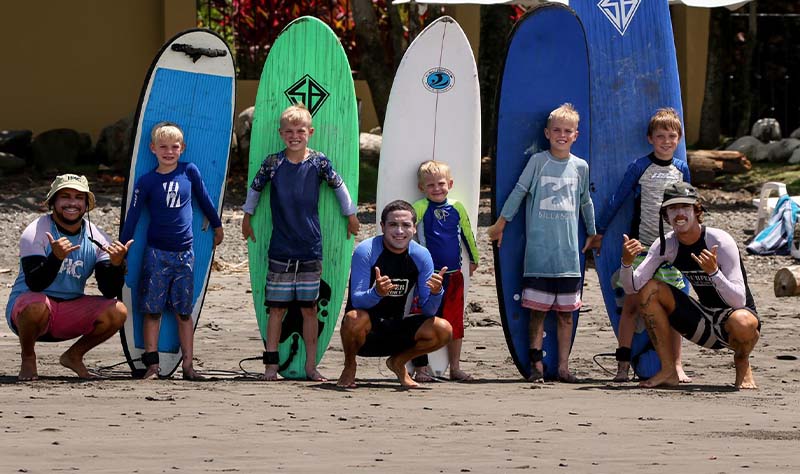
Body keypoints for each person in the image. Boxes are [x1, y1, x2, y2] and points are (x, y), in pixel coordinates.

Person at [242, 103, 359, 382]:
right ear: (281, 133)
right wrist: (247, 217)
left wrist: (350, 215)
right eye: (289, 131)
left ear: (310, 132)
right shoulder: (273, 163)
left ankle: (310, 365)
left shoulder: (319, 162)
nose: (295, 136)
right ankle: (271, 365)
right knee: (277, 309)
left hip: (310, 247)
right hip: (281, 248)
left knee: (309, 309)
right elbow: (255, 189)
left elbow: (339, 186)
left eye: (300, 131)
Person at [487, 103, 599, 383]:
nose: (562, 135)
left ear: (576, 135)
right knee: (536, 315)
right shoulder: (538, 161)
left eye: (568, 131)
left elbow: (586, 201)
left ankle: (563, 367)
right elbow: (519, 192)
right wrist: (502, 223)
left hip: (569, 258)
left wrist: (593, 232)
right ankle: (536, 367)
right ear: (547, 133)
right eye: (557, 130)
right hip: (539, 256)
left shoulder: (580, 167)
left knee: (565, 317)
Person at [619, 182, 760, 389]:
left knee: (743, 320)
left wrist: (714, 273)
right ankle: (668, 370)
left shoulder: (719, 240)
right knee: (649, 290)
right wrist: (626, 263)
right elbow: (633, 287)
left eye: (685, 207)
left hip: (736, 325)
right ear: (665, 216)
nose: (679, 214)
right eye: (672, 208)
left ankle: (742, 362)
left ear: (697, 211)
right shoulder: (666, 244)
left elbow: (738, 301)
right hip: (703, 322)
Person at [593, 107, 692, 382]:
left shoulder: (681, 168)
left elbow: (690, 207)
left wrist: (695, 242)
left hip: (672, 251)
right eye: (660, 136)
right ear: (650, 138)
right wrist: (599, 230)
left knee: (676, 311)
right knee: (631, 306)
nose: (666, 141)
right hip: (643, 249)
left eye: (672, 136)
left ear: (679, 139)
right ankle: (622, 365)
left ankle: (677, 365)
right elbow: (618, 198)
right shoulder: (640, 167)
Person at [120, 122, 224, 380]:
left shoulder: (189, 171)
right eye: (163, 147)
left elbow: (205, 199)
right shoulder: (147, 181)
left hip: (185, 254)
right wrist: (122, 245)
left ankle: (188, 366)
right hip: (156, 254)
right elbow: (133, 216)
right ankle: (153, 366)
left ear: (182, 148)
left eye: (174, 147)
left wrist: (218, 225)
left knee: (183, 312)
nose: (169, 151)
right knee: (152, 311)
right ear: (152, 148)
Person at [6, 174, 131, 381]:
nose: (72, 203)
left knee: (118, 310)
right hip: (29, 311)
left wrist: (117, 265)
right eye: (65, 197)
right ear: (53, 202)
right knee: (37, 304)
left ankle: (74, 356)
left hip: (69, 311)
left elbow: (109, 291)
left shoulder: (97, 237)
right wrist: (56, 258)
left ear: (86, 204)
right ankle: (28, 357)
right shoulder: (36, 232)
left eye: (78, 197)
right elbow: (35, 284)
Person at [336, 200, 452, 389]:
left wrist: (437, 292)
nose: (399, 231)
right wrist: (377, 293)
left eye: (406, 225)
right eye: (393, 225)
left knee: (443, 329)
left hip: (395, 328)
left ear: (414, 228)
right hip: (364, 333)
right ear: (382, 226)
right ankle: (349, 366)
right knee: (353, 318)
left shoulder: (421, 255)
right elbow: (357, 299)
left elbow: (428, 311)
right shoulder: (366, 250)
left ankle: (398, 362)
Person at [408, 160, 478, 382]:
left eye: (441, 184)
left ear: (450, 183)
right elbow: (407, 232)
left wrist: (474, 259)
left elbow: (467, 232)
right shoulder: (420, 207)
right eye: (430, 185)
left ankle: (455, 368)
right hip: (429, 276)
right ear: (422, 188)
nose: (436, 188)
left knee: (455, 322)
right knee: (423, 320)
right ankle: (421, 369)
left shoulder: (457, 207)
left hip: (454, 275)